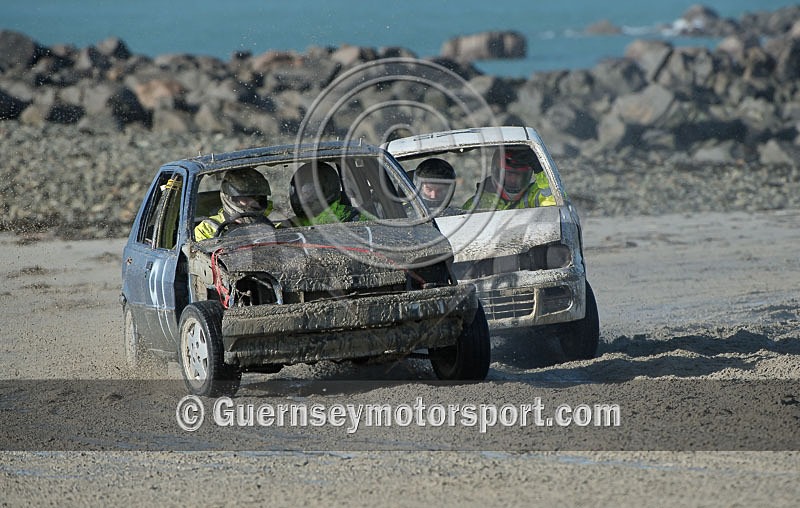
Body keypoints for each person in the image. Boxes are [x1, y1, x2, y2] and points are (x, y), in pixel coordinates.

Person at [463, 146, 556, 210]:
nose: (513, 180)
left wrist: (541, 171)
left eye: (518, 175)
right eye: (508, 174)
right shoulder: (477, 204)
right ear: (496, 172)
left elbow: (556, 206)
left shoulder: (534, 195)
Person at [194, 168, 273, 240]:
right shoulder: (207, 228)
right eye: (246, 197)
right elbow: (199, 254)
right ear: (230, 198)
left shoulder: (273, 226)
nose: (254, 201)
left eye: (258, 197)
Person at [288, 162, 370, 226]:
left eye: (309, 192)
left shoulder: (354, 217)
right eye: (301, 192)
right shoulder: (293, 224)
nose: (304, 197)